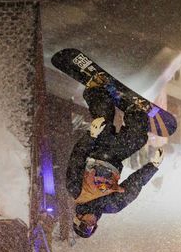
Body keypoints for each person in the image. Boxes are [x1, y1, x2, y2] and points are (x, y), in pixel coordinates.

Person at [67, 85, 163, 238]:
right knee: (137, 137)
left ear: (78, 218)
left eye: (86, 224)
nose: (91, 222)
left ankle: (96, 90)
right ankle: (134, 109)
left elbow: (77, 157)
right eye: (93, 227)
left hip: (97, 148)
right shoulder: (111, 205)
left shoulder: (76, 190)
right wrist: (152, 167)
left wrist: (91, 136)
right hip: (116, 156)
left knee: (103, 117)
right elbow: (134, 185)